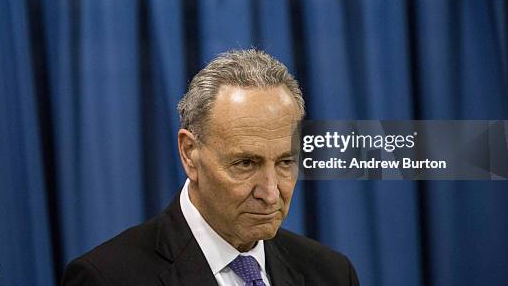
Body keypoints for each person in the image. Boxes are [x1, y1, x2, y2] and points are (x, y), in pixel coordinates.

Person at [61, 49, 359, 286]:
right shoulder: (106, 278)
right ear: (190, 153)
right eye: (245, 163)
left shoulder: (332, 273)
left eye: (285, 162)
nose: (270, 193)